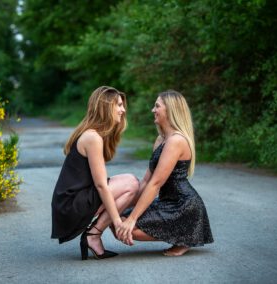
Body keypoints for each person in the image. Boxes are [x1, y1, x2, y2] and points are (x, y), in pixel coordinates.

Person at [115, 90, 213, 256]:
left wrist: (132, 219)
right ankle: (179, 234)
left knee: (130, 229)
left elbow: (156, 183)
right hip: (166, 202)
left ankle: (184, 236)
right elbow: (147, 180)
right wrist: (123, 209)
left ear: (170, 111)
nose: (153, 110)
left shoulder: (176, 140)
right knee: (118, 222)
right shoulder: (161, 139)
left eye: (157, 106)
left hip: (184, 206)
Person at [51, 86, 139, 260]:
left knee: (134, 183)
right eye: (119, 105)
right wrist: (117, 222)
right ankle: (93, 235)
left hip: (72, 202)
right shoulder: (92, 137)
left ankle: (93, 235)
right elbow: (101, 186)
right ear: (106, 107)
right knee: (131, 184)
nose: (123, 109)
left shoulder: (94, 134)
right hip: (70, 206)